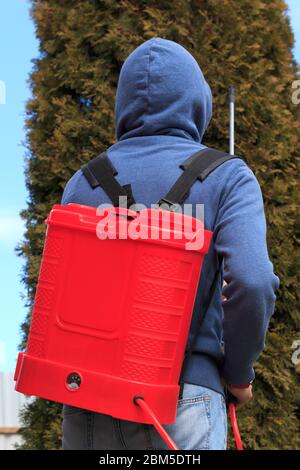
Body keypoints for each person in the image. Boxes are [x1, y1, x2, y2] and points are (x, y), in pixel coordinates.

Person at [60, 38, 279, 450]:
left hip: (86, 401)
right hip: (186, 401)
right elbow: (251, 281)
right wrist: (238, 373)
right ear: (198, 101)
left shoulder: (83, 181)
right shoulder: (226, 176)